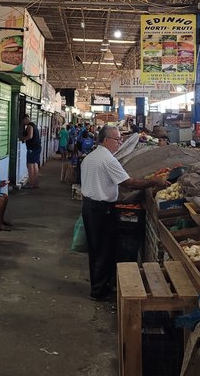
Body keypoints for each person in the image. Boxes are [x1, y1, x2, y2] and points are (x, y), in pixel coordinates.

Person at [80, 125, 170, 301]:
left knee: (96, 248)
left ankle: (100, 286)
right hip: (101, 210)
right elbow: (128, 183)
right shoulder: (107, 159)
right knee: (104, 250)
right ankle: (98, 291)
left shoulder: (91, 157)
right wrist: (153, 181)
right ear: (106, 140)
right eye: (117, 140)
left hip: (90, 207)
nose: (120, 143)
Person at [20, 114, 41, 189]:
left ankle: (31, 184)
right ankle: (35, 183)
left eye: (23, 121)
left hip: (32, 148)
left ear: (25, 119)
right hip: (37, 147)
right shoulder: (34, 125)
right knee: (35, 165)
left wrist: (23, 138)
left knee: (30, 165)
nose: (22, 123)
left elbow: (30, 136)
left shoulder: (29, 126)